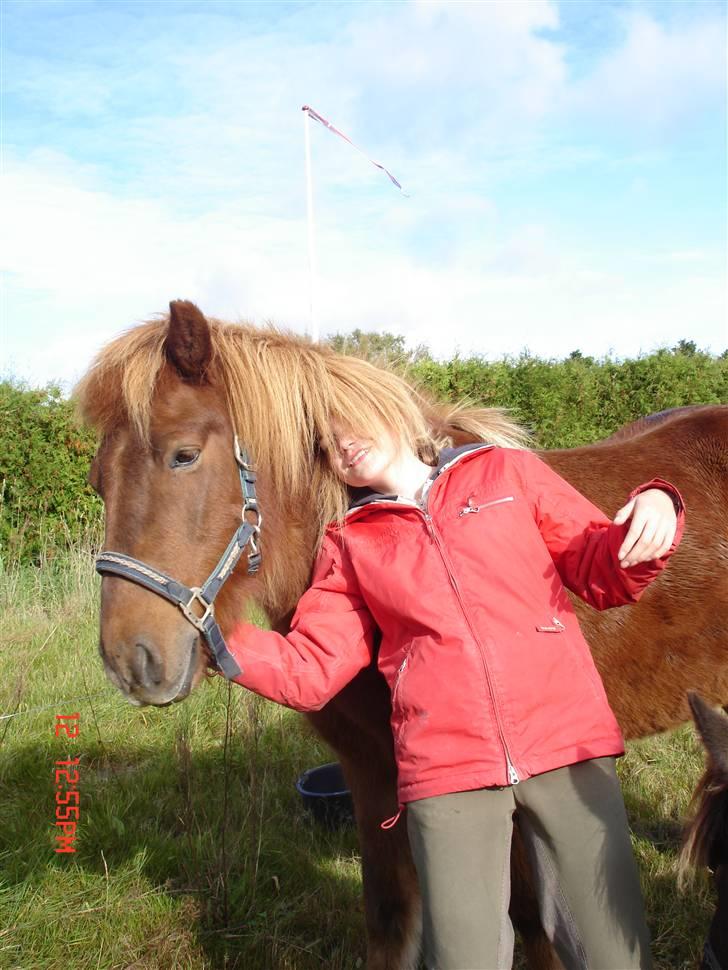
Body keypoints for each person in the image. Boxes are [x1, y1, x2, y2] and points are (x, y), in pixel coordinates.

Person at [214, 395, 684, 970]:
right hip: (447, 773)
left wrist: (659, 504)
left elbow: (601, 571)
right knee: (464, 959)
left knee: (612, 953)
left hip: (567, 746)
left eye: (350, 418)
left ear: (393, 410)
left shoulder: (505, 471)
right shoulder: (350, 541)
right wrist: (217, 638)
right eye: (324, 442)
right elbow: (311, 667)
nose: (340, 441)